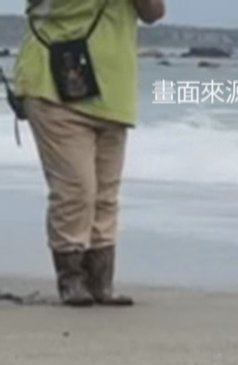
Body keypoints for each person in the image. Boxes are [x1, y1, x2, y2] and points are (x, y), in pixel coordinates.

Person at [10, 0, 166, 307]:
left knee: (105, 195)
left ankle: (100, 283)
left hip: (112, 93)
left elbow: (153, 13)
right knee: (76, 189)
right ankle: (72, 281)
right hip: (52, 86)